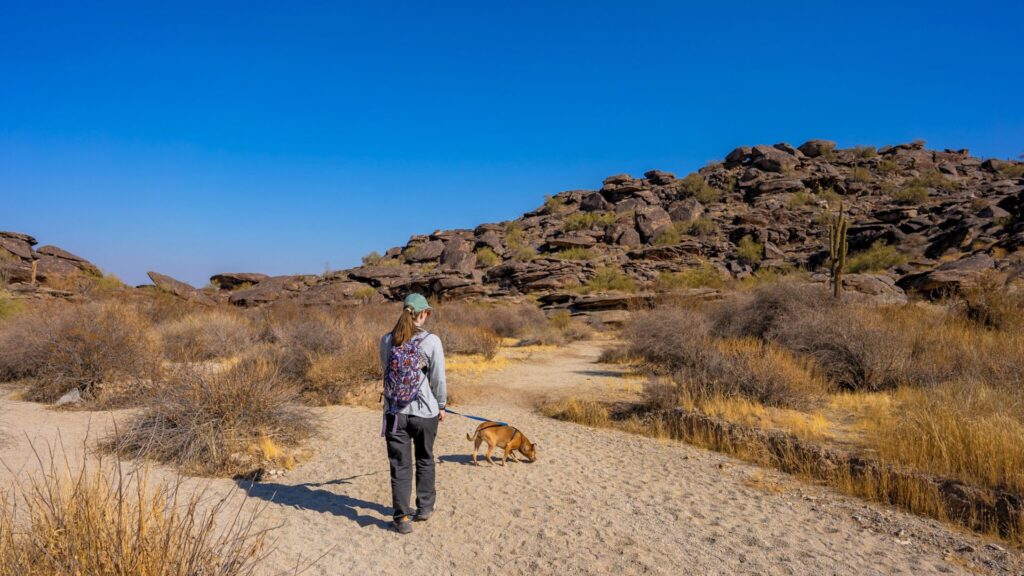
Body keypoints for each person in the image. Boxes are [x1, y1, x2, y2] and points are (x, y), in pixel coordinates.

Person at [380, 293, 447, 534]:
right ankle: (425, 508)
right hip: (425, 413)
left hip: (395, 413)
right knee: (425, 458)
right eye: (427, 312)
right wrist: (441, 405)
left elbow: (386, 374)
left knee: (400, 465)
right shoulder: (431, 341)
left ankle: (402, 518)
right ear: (422, 314)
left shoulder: (387, 340)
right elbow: (438, 378)